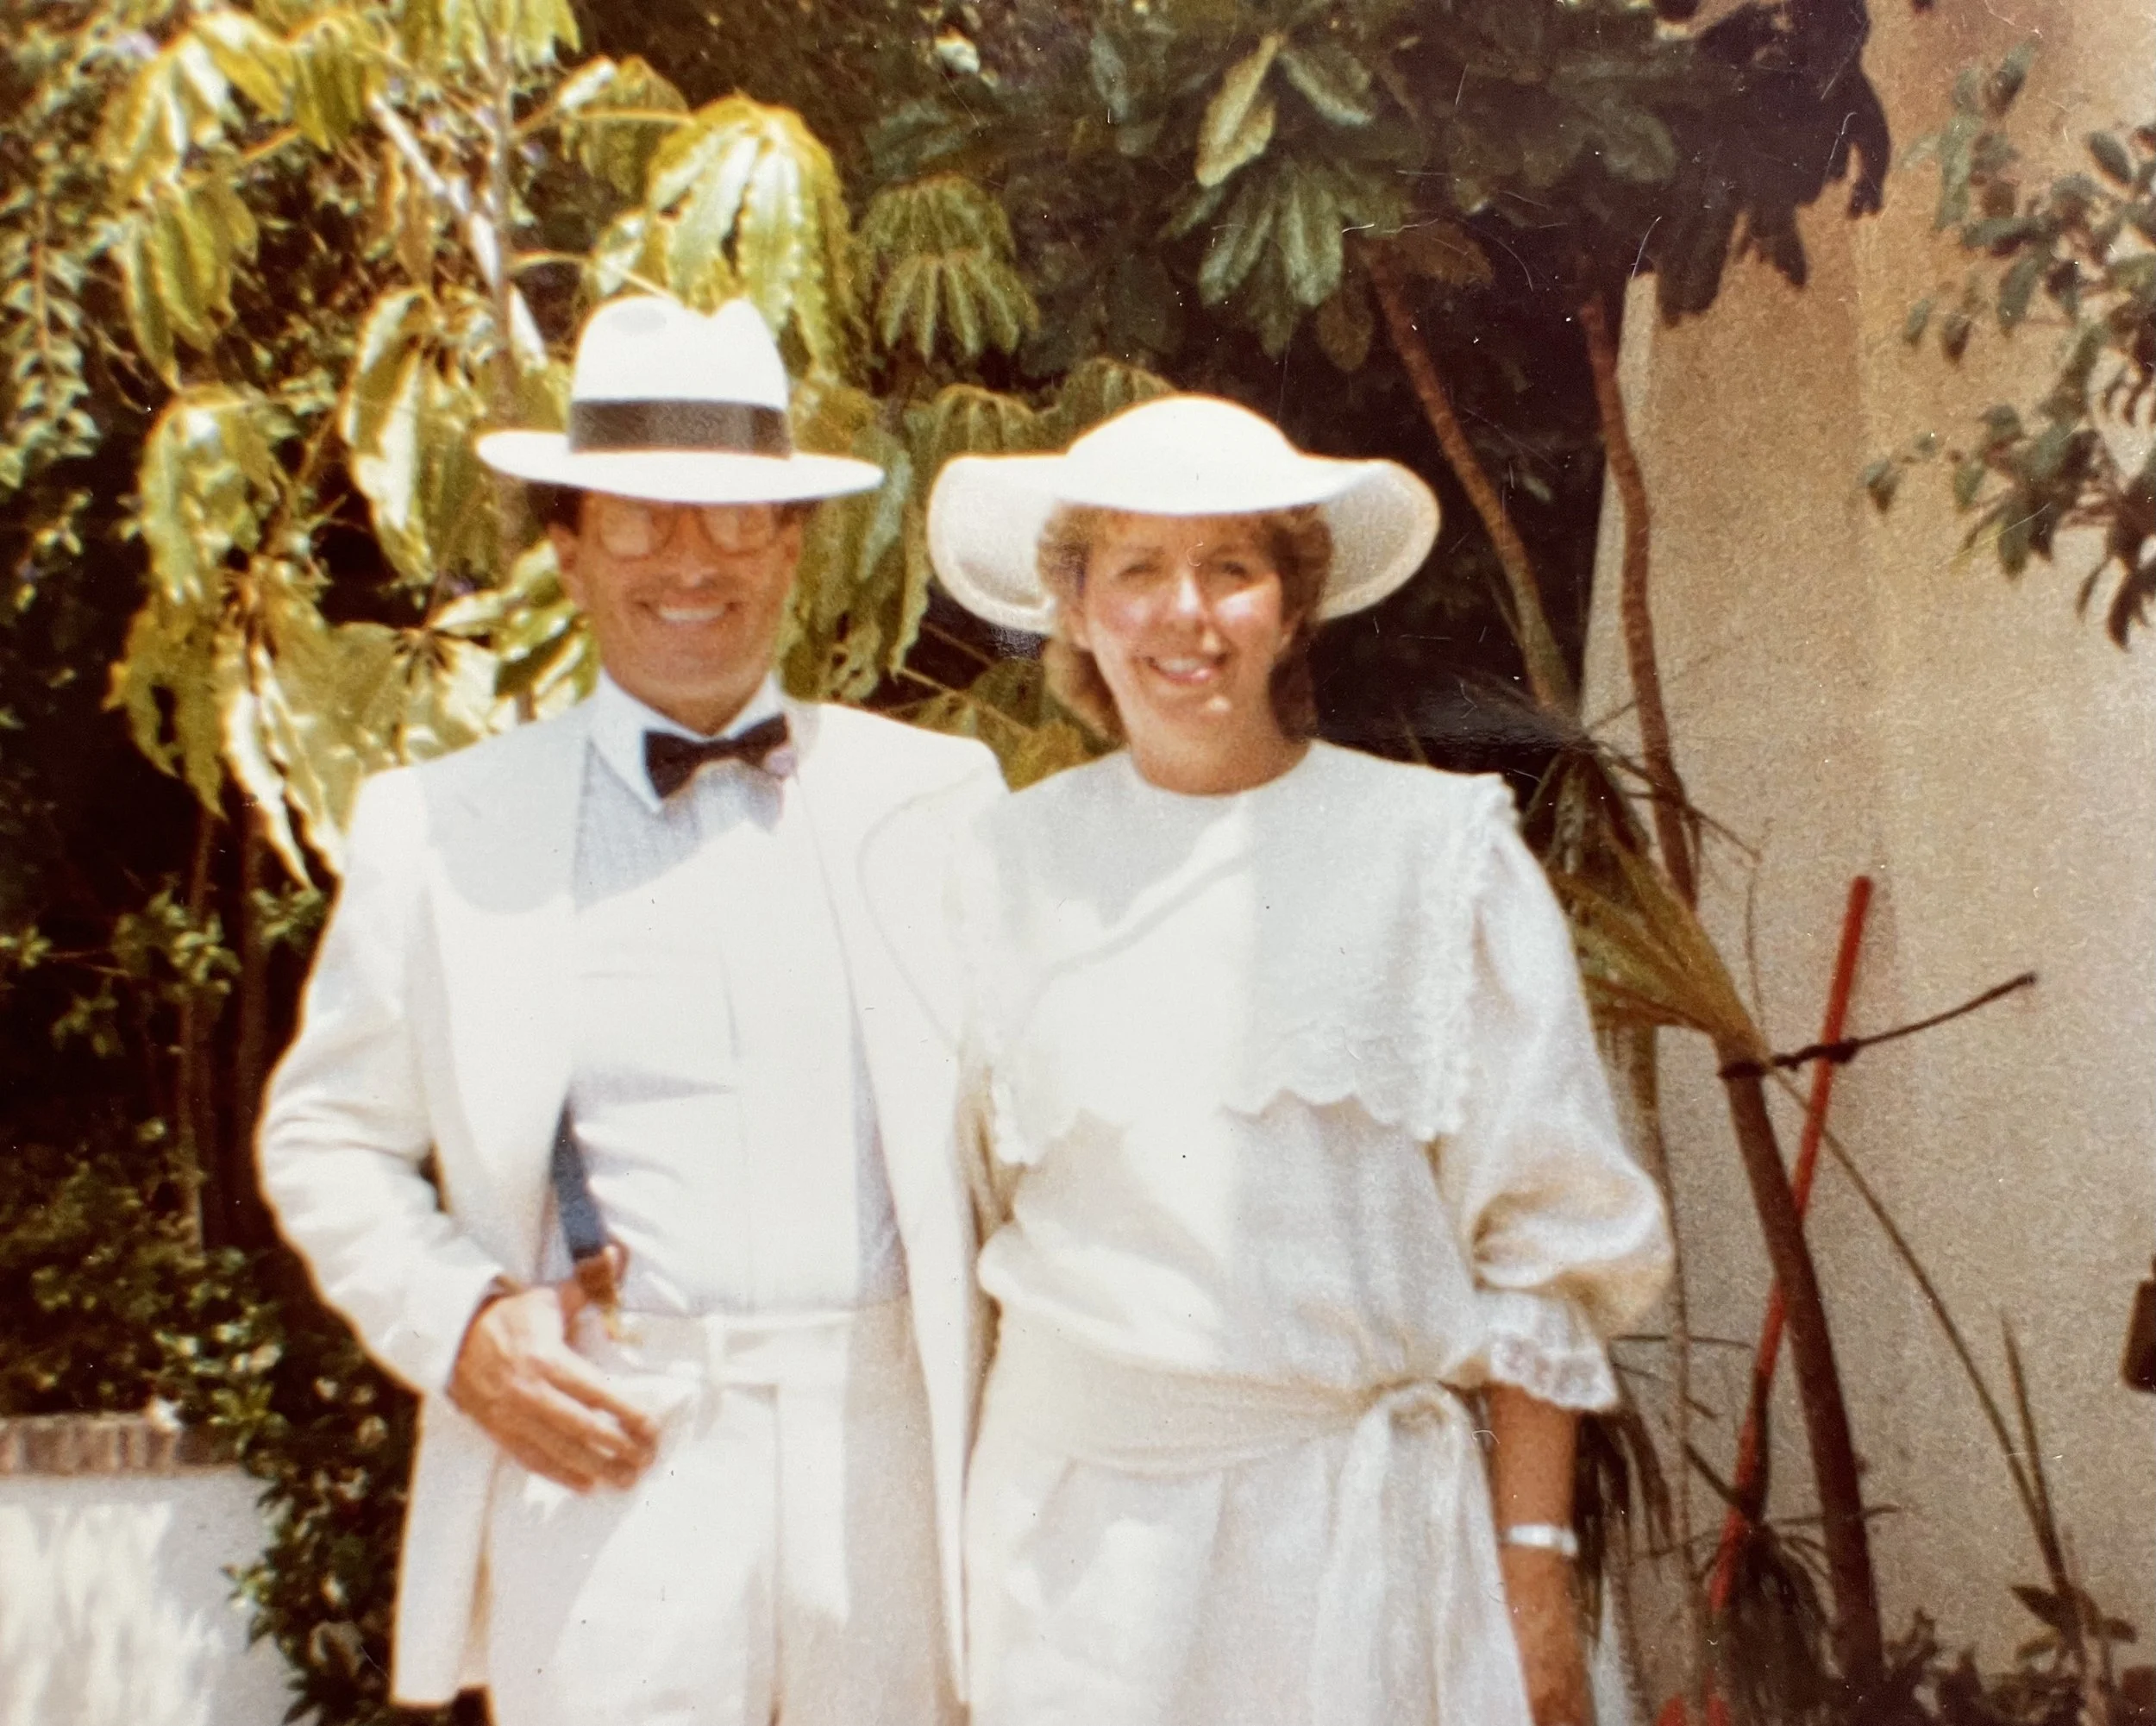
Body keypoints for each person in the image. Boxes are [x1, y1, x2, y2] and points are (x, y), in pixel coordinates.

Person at [258, 294, 1003, 1726]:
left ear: (792, 543)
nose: (691, 563)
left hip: (894, 1476)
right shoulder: (442, 826)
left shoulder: (937, 803)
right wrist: (460, 1323)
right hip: (603, 1458)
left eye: (733, 522)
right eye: (640, 519)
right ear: (567, 546)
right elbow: (325, 1137)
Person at [924, 394, 1673, 1726]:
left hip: (1356, 1556)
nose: (1186, 616)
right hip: (1076, 1575)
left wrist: (1536, 1576)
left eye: (1232, 569)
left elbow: (1547, 1249)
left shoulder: (1434, 856)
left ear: (1294, 603)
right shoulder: (991, 871)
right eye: (1138, 571)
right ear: (1078, 608)